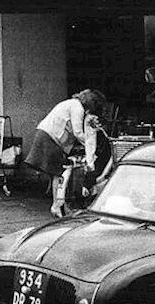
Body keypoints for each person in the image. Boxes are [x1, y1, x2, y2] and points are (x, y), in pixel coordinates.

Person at [24, 89, 106, 218]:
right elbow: (77, 131)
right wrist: (91, 144)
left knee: (55, 173)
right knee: (59, 173)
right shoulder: (77, 107)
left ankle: (58, 204)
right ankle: (58, 206)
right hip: (51, 137)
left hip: (47, 134)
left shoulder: (71, 103)